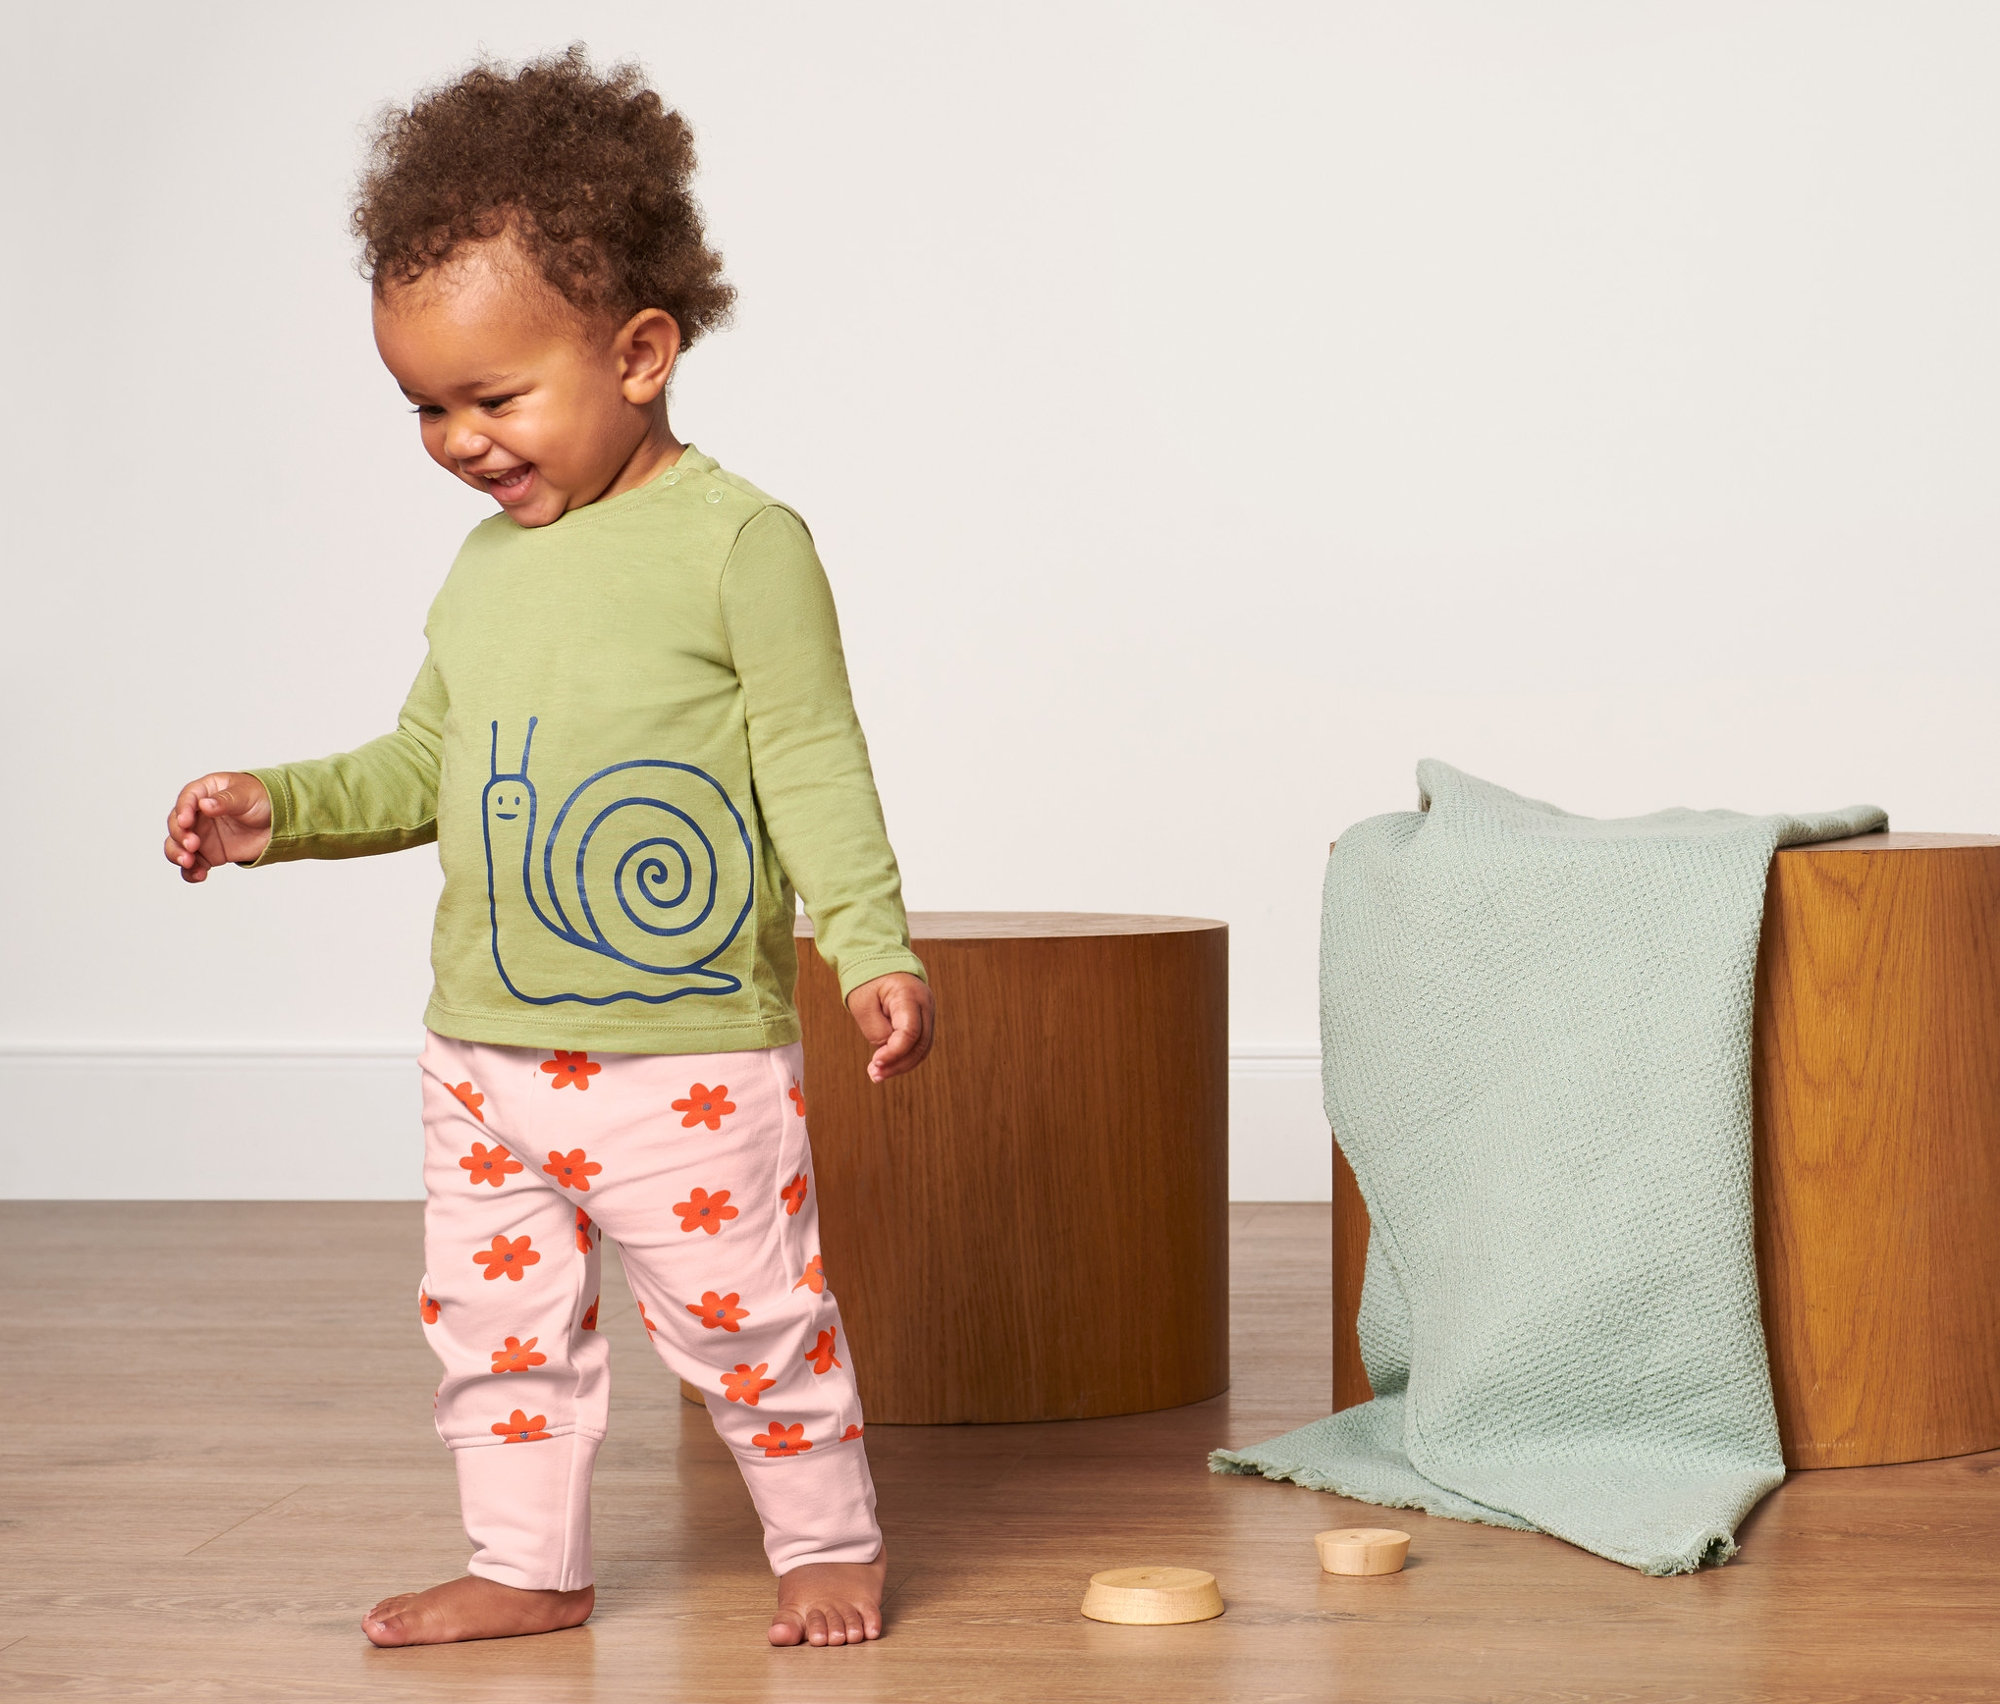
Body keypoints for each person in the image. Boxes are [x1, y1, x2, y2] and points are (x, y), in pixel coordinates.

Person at [160, 47, 932, 1651]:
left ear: (640, 350)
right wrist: (276, 809)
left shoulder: (741, 545)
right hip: (481, 1054)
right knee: (495, 1331)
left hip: (682, 1059)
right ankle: (528, 1565)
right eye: (424, 406)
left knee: (752, 1326)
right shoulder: (482, 571)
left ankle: (827, 1544)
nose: (456, 439)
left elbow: (810, 756)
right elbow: (427, 763)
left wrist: (870, 943)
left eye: (495, 398)